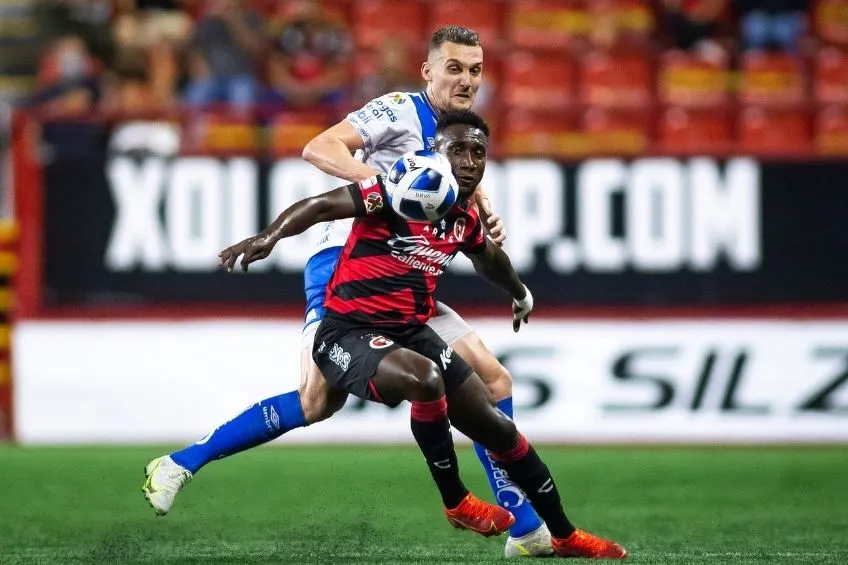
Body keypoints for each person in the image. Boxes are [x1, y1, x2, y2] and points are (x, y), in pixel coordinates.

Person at [143, 25, 617, 558]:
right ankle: (181, 463)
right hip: (347, 259)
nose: (466, 80)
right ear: (428, 71)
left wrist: (480, 210)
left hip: (409, 275)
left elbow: (452, 192)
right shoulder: (398, 110)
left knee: (493, 377)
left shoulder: (458, 134)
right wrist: (391, 188)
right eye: (454, 68)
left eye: (475, 70)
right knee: (316, 400)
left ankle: (524, 526)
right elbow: (318, 147)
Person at [217, 110, 627, 560]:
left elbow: (488, 257)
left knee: (499, 429)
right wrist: (268, 237)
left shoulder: (461, 217)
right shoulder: (396, 189)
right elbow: (321, 206)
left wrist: (520, 293)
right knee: (425, 379)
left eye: (478, 152)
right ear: (435, 153)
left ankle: (565, 535)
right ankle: (456, 501)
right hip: (345, 333)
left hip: (410, 330)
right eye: (458, 150)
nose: (470, 161)